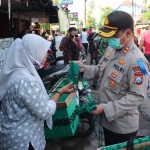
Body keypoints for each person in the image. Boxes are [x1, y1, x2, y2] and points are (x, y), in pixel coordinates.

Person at [75, 11, 149, 146]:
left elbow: (136, 96)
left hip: (122, 127)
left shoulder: (138, 62)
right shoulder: (112, 49)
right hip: (106, 121)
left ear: (128, 34)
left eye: (114, 35)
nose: (110, 40)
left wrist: (105, 108)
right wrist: (83, 68)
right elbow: (99, 70)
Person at [0, 34, 74, 150]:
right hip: (24, 141)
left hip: (9, 137)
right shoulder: (28, 82)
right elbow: (45, 112)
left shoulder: (14, 73)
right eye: (43, 52)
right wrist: (60, 92)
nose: (46, 56)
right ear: (31, 53)